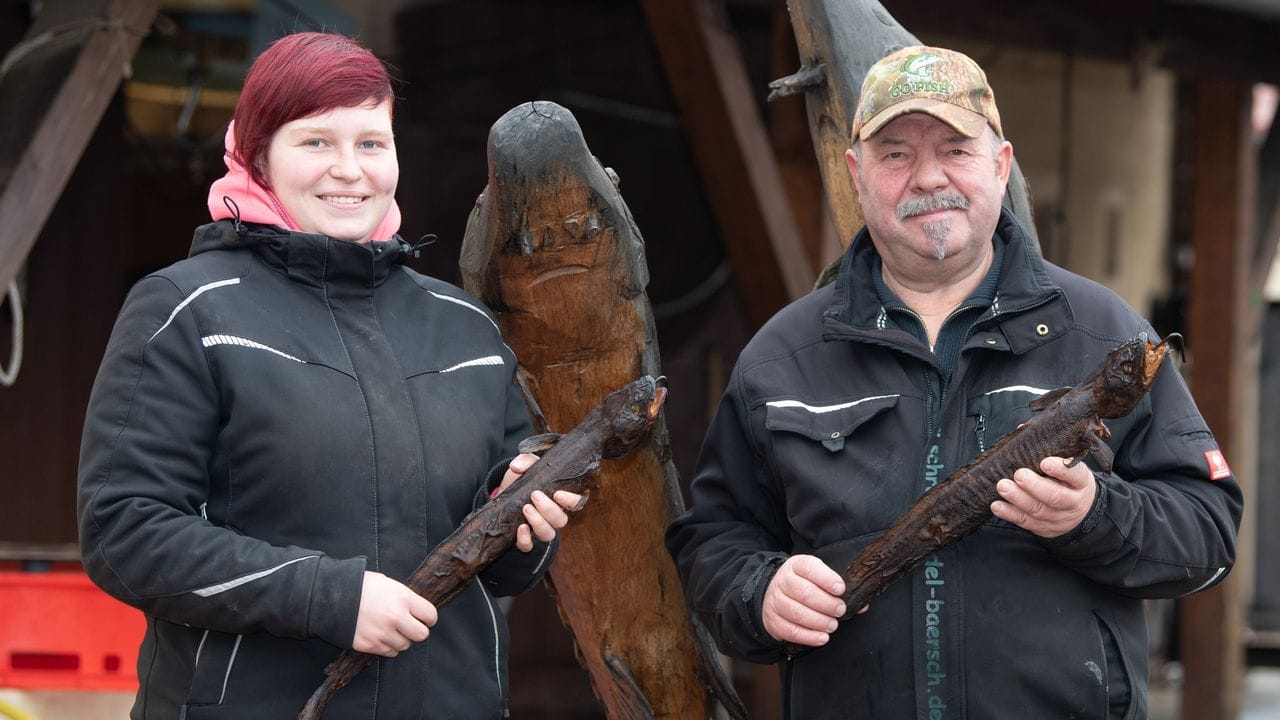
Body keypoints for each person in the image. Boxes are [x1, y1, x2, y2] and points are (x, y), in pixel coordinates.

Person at [666, 45, 1243, 719]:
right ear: (856, 174)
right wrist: (759, 592)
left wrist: (1095, 516)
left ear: (1001, 166)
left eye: (955, 150)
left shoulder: (1104, 335)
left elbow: (1209, 533)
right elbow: (712, 539)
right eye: (895, 154)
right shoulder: (784, 356)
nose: (927, 177)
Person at [77, 32, 582, 719]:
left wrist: (523, 519)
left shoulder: (464, 327)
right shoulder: (188, 310)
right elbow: (125, 531)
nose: (350, 170)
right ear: (257, 156)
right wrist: (330, 599)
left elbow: (506, 570)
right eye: (316, 142)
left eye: (371, 144)